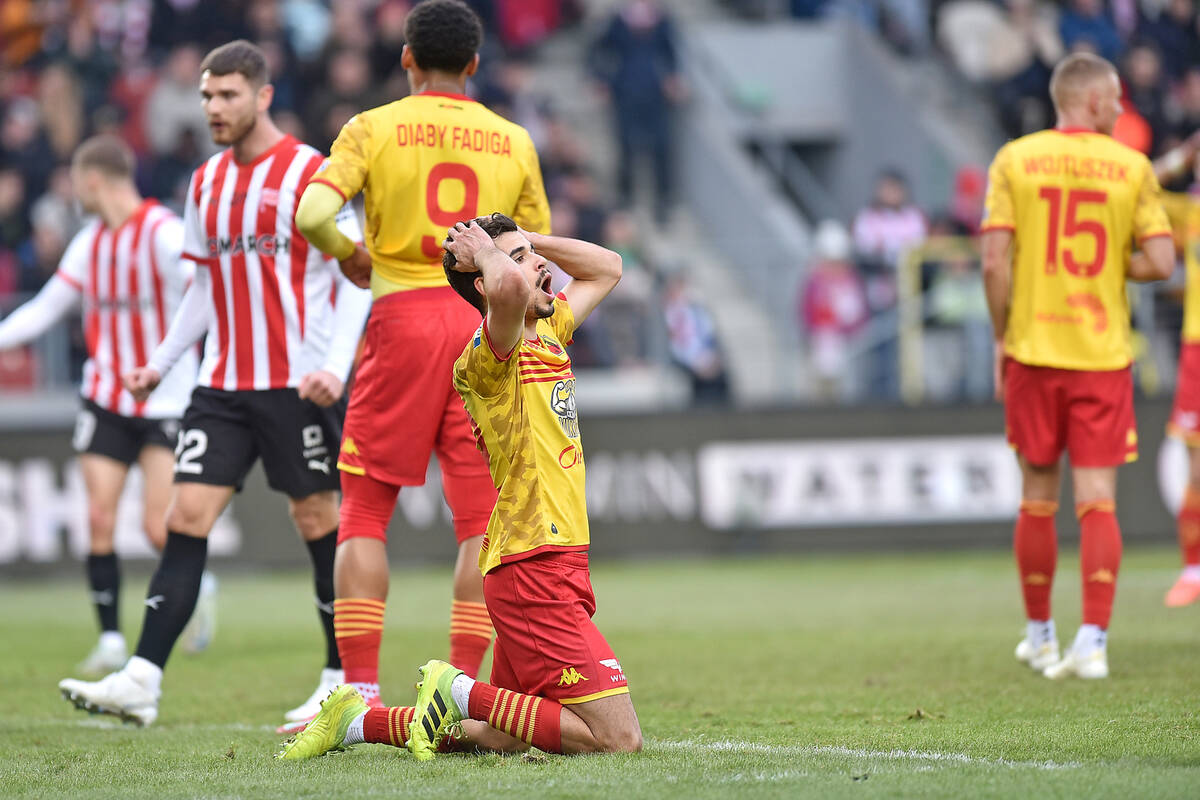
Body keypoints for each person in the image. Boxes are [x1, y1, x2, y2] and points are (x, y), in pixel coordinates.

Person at [57, 40, 372, 726]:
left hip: (298, 382)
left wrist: (336, 365)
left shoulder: (310, 174)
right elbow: (202, 285)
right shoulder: (204, 183)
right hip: (222, 384)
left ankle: (339, 675)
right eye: (206, 96)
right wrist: (164, 362)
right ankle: (142, 678)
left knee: (317, 519)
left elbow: (357, 278)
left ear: (262, 95)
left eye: (227, 95)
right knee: (184, 516)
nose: (213, 108)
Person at [277, 213, 640, 761]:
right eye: (519, 262)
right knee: (617, 740)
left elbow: (608, 268)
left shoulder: (549, 329)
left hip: (546, 558)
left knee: (501, 734)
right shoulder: (489, 354)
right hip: (532, 564)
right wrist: (494, 257)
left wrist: (523, 242)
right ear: (485, 286)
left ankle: (358, 721)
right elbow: (510, 291)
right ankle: (458, 689)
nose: (539, 267)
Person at [292, 0, 550, 718]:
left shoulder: (371, 128)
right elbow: (536, 260)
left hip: (401, 316)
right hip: (483, 327)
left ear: (406, 58)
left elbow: (312, 215)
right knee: (481, 522)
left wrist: (352, 254)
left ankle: (360, 689)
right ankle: (462, 690)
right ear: (474, 64)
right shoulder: (512, 139)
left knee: (366, 511)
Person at [980, 53, 1174, 680]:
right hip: (1100, 355)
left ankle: (1040, 636)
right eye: (1116, 98)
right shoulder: (1131, 168)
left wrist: (1001, 337)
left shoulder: (1015, 159)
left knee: (1037, 498)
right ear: (1091, 101)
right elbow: (1163, 261)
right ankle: (1092, 642)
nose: (1121, 108)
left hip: (1033, 351)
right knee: (1098, 503)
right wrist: (1110, 264)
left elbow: (992, 263)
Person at [0, 134, 199, 675]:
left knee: (160, 528)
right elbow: (46, 308)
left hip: (164, 399)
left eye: (74, 181)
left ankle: (196, 587)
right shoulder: (90, 242)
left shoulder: (164, 233)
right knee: (98, 517)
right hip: (106, 398)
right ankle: (111, 637)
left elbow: (205, 295)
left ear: (92, 180)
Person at [1149, 132, 1200, 607]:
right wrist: (1177, 158)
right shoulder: (1189, 214)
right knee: (1196, 468)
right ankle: (1193, 569)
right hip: (1197, 349)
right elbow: (1137, 188)